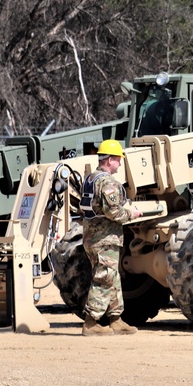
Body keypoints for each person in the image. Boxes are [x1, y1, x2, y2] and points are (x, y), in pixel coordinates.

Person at [80, 139, 143, 336]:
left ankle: (116, 319)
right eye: (118, 160)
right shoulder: (107, 182)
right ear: (110, 160)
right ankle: (91, 322)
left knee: (112, 277)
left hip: (93, 237)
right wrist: (133, 214)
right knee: (104, 278)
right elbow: (114, 213)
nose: (120, 164)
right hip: (104, 239)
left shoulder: (91, 179)